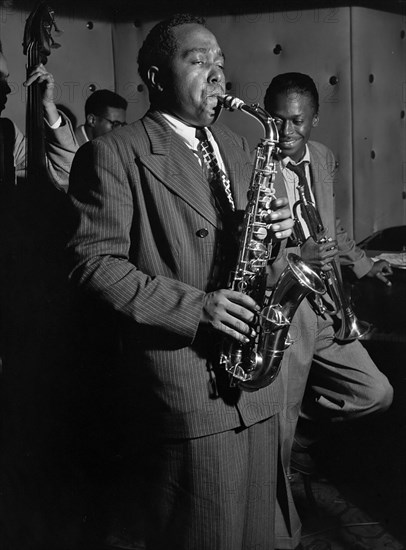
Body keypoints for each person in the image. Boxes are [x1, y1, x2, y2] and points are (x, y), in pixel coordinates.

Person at [67, 13, 295, 550]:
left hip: (258, 383)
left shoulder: (242, 149)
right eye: (197, 62)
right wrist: (197, 308)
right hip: (190, 385)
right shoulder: (113, 152)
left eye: (220, 63)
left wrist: (279, 232)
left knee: (260, 537)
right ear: (154, 76)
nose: (217, 75)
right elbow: (93, 264)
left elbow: (258, 251)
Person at [263, 72, 394, 549]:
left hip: (327, 305)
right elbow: (246, 249)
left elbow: (329, 227)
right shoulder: (251, 164)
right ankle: (282, 537)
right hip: (288, 309)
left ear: (314, 118)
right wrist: (297, 259)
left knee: (375, 392)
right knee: (274, 430)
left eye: (297, 120)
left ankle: (301, 441)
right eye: (276, 119)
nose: (286, 130)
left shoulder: (322, 157)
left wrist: (362, 264)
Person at [0, 42, 77, 192]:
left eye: (6, 79)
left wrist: (48, 105)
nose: (8, 88)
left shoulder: (7, 133)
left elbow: (64, 173)